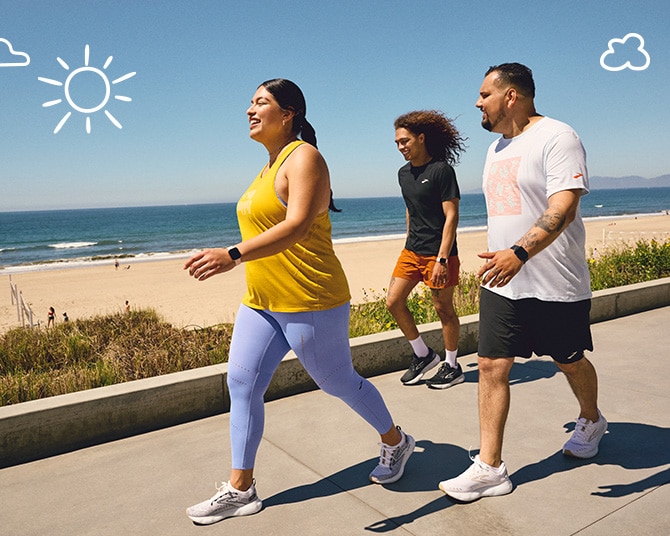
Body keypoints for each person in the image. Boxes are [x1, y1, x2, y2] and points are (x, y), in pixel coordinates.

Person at [184, 78, 414, 525]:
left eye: (261, 103)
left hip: (310, 297)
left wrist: (230, 254)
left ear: (287, 114)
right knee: (242, 384)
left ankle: (395, 440)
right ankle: (240, 488)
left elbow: (298, 226)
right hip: (261, 301)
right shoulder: (267, 167)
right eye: (249, 102)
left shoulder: (304, 157)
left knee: (336, 381)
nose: (250, 110)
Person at [439, 63, 607, 502]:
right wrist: (505, 259)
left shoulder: (558, 137)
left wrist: (519, 253)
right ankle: (490, 467)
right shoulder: (495, 149)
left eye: (484, 94)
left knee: (569, 360)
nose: (477, 102)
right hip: (503, 281)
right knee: (492, 366)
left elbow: (563, 207)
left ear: (510, 96)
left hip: (555, 282)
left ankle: (591, 418)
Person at [387, 110, 466, 389]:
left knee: (443, 308)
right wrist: (409, 240)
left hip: (439, 253)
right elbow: (411, 210)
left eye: (405, 141)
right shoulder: (403, 174)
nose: (401, 147)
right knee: (393, 302)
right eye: (397, 143)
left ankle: (452, 366)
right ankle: (423, 354)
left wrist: (442, 259)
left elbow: (451, 216)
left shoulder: (441, 171)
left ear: (421, 138)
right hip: (412, 251)